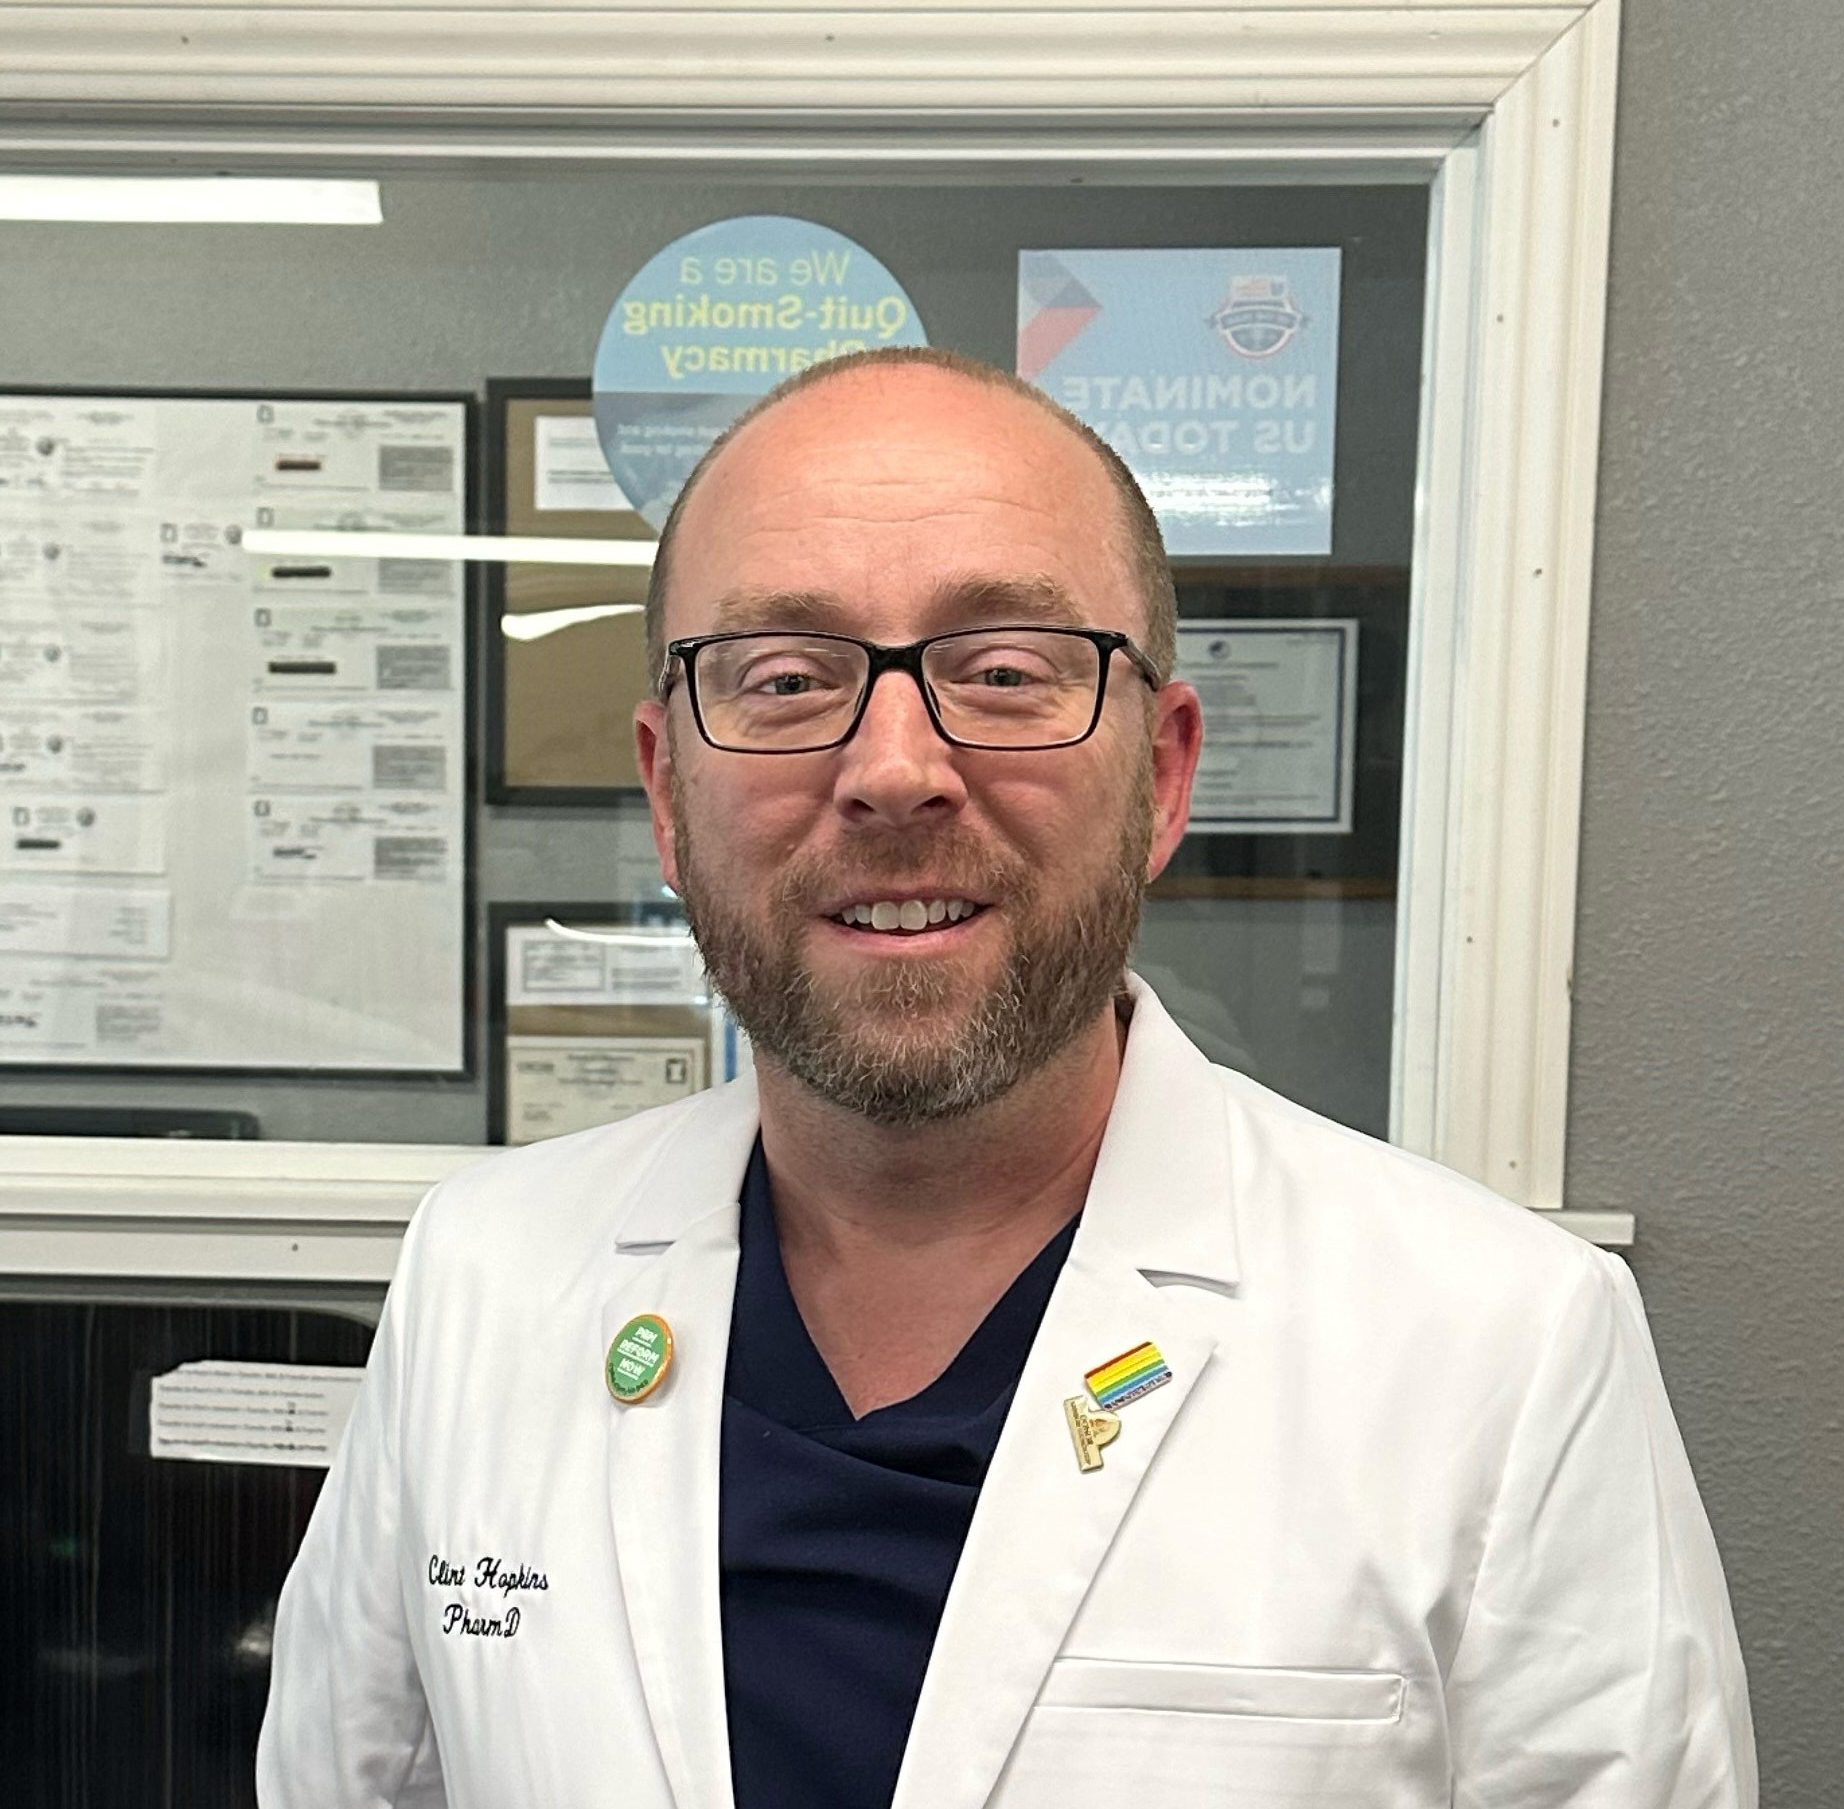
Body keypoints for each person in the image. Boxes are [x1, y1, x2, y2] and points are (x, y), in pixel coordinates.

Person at [258, 347, 1756, 1808]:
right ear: (665, 790)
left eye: (1005, 669)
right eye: (784, 676)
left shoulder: (1500, 1343)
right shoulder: (483, 1275)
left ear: (1163, 775)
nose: (895, 766)